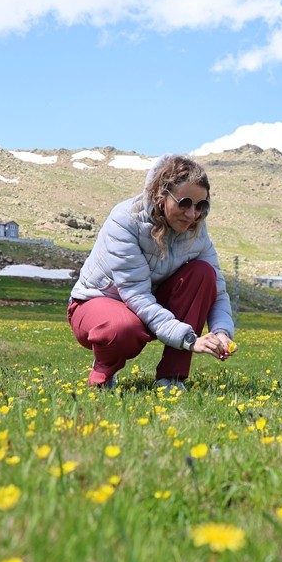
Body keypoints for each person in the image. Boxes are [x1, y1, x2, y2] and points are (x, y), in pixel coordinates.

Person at [67, 153, 235, 391]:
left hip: (147, 305)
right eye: (184, 203)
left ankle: (172, 378)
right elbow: (136, 294)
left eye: (201, 206)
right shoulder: (125, 219)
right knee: (123, 328)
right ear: (161, 195)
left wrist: (221, 332)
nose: (192, 214)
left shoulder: (197, 230)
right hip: (97, 303)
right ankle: (104, 372)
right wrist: (188, 340)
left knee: (203, 273)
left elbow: (217, 290)